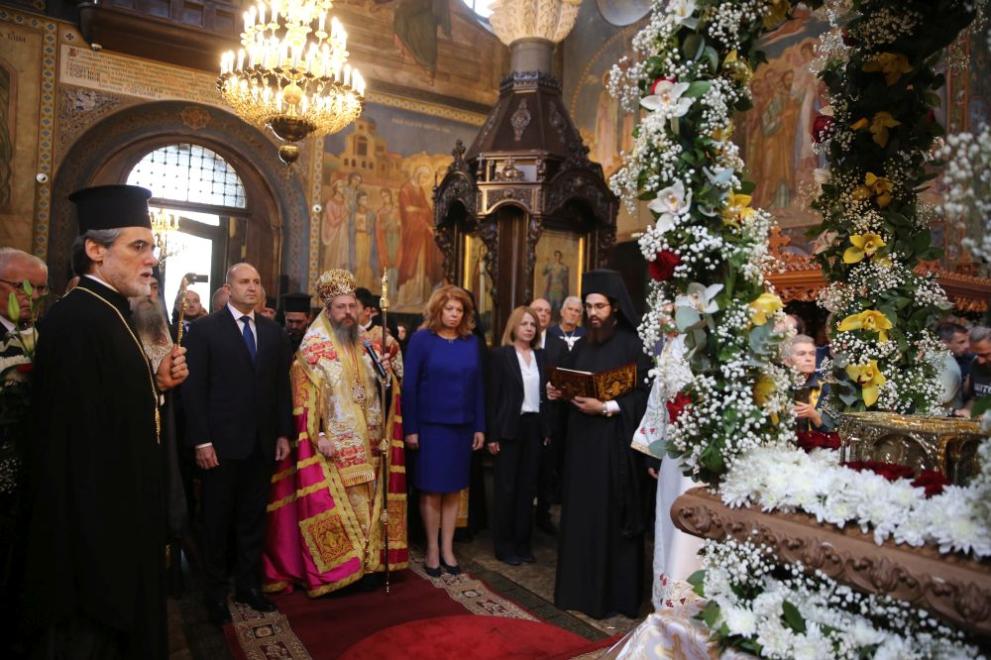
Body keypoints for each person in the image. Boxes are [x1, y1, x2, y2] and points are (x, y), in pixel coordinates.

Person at [23, 184, 188, 657]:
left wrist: (156, 384)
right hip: (95, 538)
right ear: (95, 250)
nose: (152, 258)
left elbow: (113, 407)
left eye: (152, 247)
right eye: (138, 246)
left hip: (123, 518)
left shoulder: (114, 314)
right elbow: (72, 447)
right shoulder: (78, 321)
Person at [264, 269, 408, 595]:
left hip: (371, 443)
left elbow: (385, 390)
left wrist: (386, 378)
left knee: (370, 508)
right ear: (328, 310)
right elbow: (301, 400)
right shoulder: (313, 351)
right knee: (342, 511)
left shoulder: (369, 344)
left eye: (351, 306)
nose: (347, 313)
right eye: (340, 307)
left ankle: (369, 565)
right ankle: (342, 571)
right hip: (334, 446)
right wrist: (320, 436)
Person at [182, 262, 292, 625]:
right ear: (228, 288)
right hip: (220, 445)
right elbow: (194, 391)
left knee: (252, 520)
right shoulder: (204, 330)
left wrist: (282, 433)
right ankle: (214, 594)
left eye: (257, 282)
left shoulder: (274, 333)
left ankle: (249, 586)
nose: (252, 288)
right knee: (215, 522)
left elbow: (280, 389)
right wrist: (201, 441)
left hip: (260, 444)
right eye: (244, 282)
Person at [548, 269, 652, 619]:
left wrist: (607, 406)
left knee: (610, 519)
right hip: (581, 447)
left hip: (614, 450)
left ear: (616, 308)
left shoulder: (634, 345)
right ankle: (577, 591)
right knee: (580, 516)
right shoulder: (582, 345)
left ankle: (613, 598)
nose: (592, 313)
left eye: (599, 307)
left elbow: (644, 397)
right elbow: (573, 384)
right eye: (589, 306)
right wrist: (558, 392)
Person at [403, 285, 485, 576]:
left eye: (459, 310)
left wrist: (480, 427)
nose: (454, 314)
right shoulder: (421, 340)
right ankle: (432, 548)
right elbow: (409, 386)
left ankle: (448, 547)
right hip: (430, 426)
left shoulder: (470, 342)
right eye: (449, 309)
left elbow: (478, 387)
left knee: (453, 490)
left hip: (462, 427)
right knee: (431, 489)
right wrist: (410, 428)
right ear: (438, 310)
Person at [487, 306, 551, 566]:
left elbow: (548, 396)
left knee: (528, 489)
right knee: (506, 489)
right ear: (513, 326)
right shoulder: (501, 356)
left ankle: (523, 544)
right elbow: (492, 397)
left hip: (535, 427)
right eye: (524, 323)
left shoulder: (542, 357)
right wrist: (492, 435)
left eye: (533, 325)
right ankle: (504, 546)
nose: (528, 328)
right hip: (508, 428)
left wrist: (547, 429)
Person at [529, 296, 563, 535]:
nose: (542, 315)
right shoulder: (519, 339)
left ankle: (543, 513)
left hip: (551, 416)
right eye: (537, 310)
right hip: (526, 415)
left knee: (547, 471)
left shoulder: (558, 344)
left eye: (547, 311)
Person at [784, 334, 836, 433]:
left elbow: (836, 435)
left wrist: (815, 417)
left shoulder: (827, 388)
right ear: (787, 361)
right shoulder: (776, 387)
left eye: (812, 354)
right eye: (801, 353)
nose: (809, 358)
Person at [962, 326, 991, 412]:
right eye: (977, 354)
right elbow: (974, 398)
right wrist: (966, 410)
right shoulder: (975, 364)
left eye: (985, 355)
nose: (980, 361)